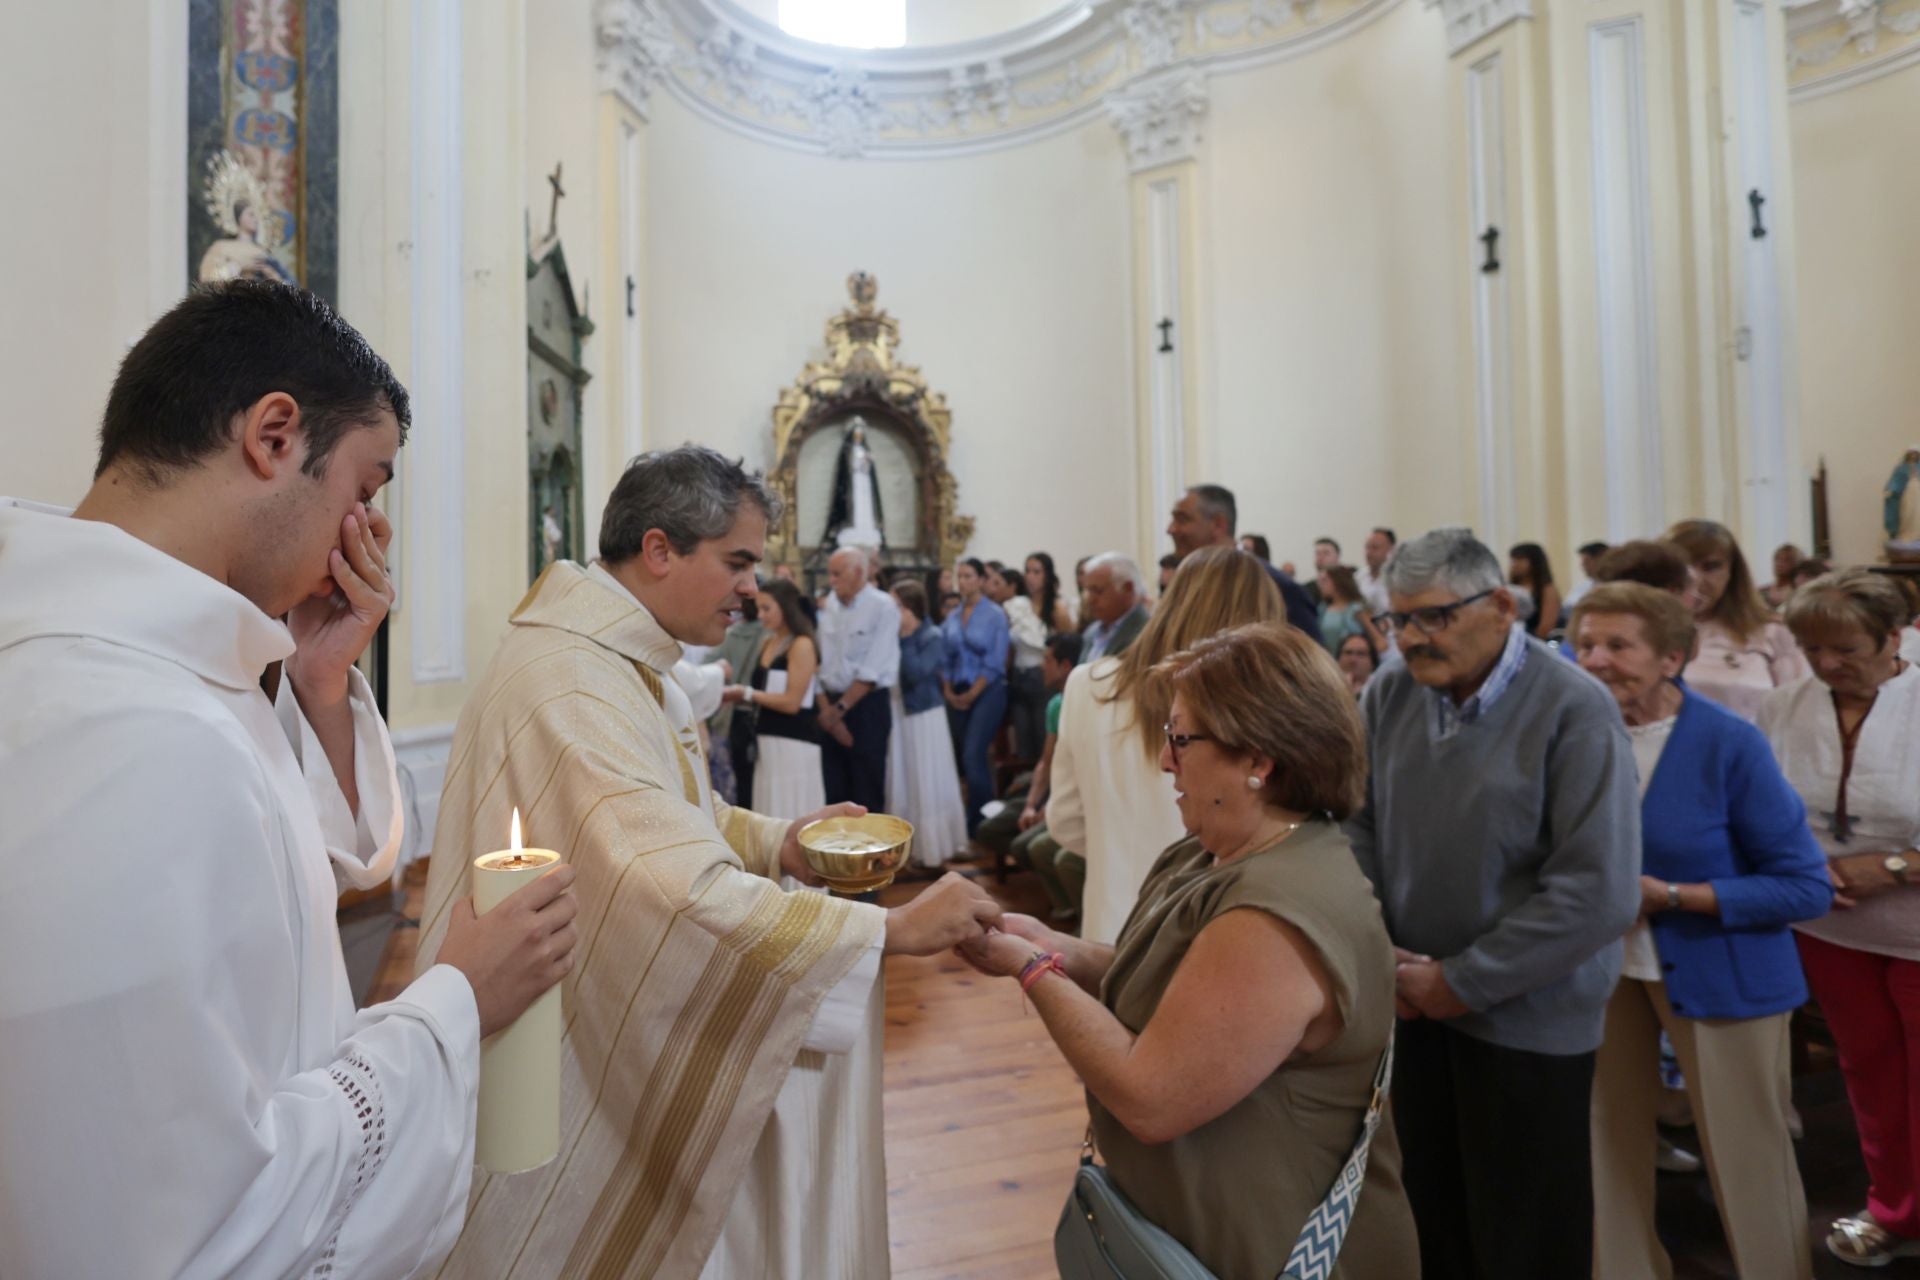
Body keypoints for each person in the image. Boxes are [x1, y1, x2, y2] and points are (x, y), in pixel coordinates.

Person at [0, 280, 580, 1277]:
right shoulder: (127, 724)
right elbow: (203, 1235)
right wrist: (458, 999)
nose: (367, 532)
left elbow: (339, 863)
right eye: (366, 487)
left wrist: (320, 677)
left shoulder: (169, 656)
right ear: (274, 436)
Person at [415, 447, 1003, 1280]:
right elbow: (668, 881)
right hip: (554, 1033)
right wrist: (888, 930)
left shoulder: (627, 661)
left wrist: (781, 843)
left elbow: (681, 815)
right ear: (660, 550)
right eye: (737, 562)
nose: (751, 590)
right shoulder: (573, 680)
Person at [960, 623, 1419, 1278]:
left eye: (1180, 739)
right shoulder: (1215, 852)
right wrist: (1055, 946)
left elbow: (1152, 1097)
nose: (1165, 760)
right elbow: (1174, 992)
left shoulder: (1275, 914)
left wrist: (1030, 970)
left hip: (1270, 1249)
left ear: (1258, 760)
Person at [1347, 526, 1640, 1280]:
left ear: (1503, 605)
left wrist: (1463, 982)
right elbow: (1359, 827)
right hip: (1412, 1002)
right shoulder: (1389, 691)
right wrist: (1382, 948)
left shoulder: (1575, 706)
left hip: (1527, 1018)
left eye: (1432, 617)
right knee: (1431, 1215)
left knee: (1526, 1235)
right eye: (1398, 619)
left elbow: (1597, 892)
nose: (1410, 638)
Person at [1571, 583, 1829, 1280]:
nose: (1595, 660)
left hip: (1727, 972)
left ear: (1671, 658)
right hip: (1601, 973)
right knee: (1604, 1149)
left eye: (1618, 645)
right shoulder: (1572, 739)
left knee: (1749, 1163)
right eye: (1585, 643)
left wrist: (1675, 896)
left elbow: (1805, 884)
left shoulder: (1728, 744)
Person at [1760, 569, 1920, 1268]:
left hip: (1915, 925)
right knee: (1868, 1067)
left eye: (1845, 649)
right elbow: (1761, 808)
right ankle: (1894, 1207)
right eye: (1811, 648)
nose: (1826, 665)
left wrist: (1889, 868)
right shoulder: (1784, 705)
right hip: (1830, 924)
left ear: (1894, 637)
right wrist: (1802, 868)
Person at [1049, 546, 1286, 945]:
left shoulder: (1088, 684)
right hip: (1226, 928)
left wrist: (1119, 858)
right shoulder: (1266, 704)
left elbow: (1065, 821)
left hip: (1114, 927)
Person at [1665, 519, 1808, 722]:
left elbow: (1797, 711)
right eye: (1684, 567)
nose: (1696, 579)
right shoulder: (1645, 633)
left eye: (1710, 567)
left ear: (1732, 573)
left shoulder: (1772, 632)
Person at [721, 577, 824, 819]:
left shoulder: (802, 644)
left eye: (767, 608)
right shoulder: (769, 642)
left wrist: (746, 693)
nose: (761, 615)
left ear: (786, 607)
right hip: (765, 738)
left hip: (793, 741)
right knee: (769, 806)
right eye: (758, 608)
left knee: (792, 808)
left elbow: (791, 702)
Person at [886, 579, 968, 870]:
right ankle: (904, 847)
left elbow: (917, 673)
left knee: (925, 777)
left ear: (909, 608)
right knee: (904, 779)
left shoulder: (931, 635)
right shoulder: (892, 634)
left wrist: (906, 638)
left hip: (923, 717)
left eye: (895, 605)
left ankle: (931, 847)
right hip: (898, 712)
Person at [814, 546, 901, 814]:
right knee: (834, 791)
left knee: (867, 788)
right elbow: (819, 659)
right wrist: (827, 710)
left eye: (838, 574)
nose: (832, 581)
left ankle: (870, 855)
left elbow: (874, 666)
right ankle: (838, 855)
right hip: (829, 703)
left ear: (860, 572)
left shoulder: (883, 606)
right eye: (830, 574)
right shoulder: (830, 604)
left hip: (866, 706)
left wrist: (839, 711)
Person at [1166, 483, 1319, 634]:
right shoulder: (1185, 583)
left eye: (1182, 519)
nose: (1170, 529)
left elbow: (1306, 656)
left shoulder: (1276, 586)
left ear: (1218, 525)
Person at [942, 557, 1011, 837]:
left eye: (969, 576)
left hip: (987, 690)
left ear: (982, 580)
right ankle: (968, 819)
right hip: (957, 691)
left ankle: (981, 823)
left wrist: (973, 692)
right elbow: (944, 658)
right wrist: (948, 691)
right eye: (960, 576)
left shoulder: (994, 614)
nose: (963, 582)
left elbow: (996, 660)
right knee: (960, 757)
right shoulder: (952, 616)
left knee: (974, 754)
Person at [993, 561, 1050, 761]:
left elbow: (1041, 641)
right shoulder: (1012, 606)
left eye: (1037, 571)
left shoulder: (1019, 606)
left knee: (1041, 730)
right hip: (1019, 673)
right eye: (1027, 571)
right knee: (1023, 733)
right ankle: (1028, 779)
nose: (1031, 577)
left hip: (1038, 672)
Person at [1080, 551, 1149, 662]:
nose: (1090, 600)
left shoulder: (1146, 632)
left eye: (1098, 591)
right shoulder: (1090, 633)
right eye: (1088, 591)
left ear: (1127, 588)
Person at [1317, 564, 1384, 657]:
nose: (1320, 585)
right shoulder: (1323, 608)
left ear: (1338, 582)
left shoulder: (1355, 609)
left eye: (1325, 581)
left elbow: (1378, 640)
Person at [1508, 541, 1563, 640]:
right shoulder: (1510, 588)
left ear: (1534, 561)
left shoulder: (1548, 590)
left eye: (1519, 559)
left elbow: (1546, 628)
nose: (1514, 564)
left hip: (1535, 642)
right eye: (1513, 560)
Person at [1025, 551, 1075, 633]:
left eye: (1036, 572)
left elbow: (1066, 641)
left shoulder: (1057, 609)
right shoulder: (1020, 604)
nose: (1029, 577)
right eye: (1027, 571)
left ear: (1047, 576)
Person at [1358, 526, 1395, 616]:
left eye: (1375, 548)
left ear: (1391, 550)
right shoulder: (1358, 577)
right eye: (1367, 547)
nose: (1369, 553)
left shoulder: (1398, 579)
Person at [1564, 539, 1611, 610]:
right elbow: (1567, 607)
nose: (1582, 566)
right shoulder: (1582, 587)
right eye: (1582, 562)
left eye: (1587, 561)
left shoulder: (1618, 586)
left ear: (1601, 559)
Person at [1337, 631, 1378, 697]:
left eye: (1361, 654)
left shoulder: (1379, 688)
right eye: (1348, 653)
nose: (1353, 660)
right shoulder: (1328, 687)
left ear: (1372, 663)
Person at [1766, 542, 1805, 609]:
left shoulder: (1799, 591)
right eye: (1777, 559)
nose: (1779, 564)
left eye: (1786, 560)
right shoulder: (1764, 590)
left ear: (1796, 563)